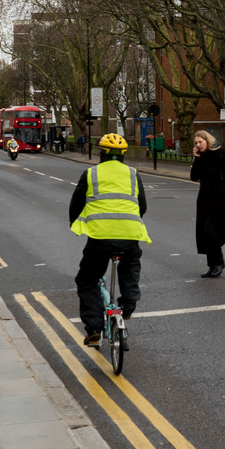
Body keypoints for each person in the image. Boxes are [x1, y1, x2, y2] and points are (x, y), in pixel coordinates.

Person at [69, 133, 150, 347]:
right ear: (123, 154)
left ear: (101, 152)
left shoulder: (91, 173)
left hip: (100, 238)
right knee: (130, 265)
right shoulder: (133, 174)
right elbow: (142, 206)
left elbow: (76, 204)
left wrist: (75, 225)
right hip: (129, 234)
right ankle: (128, 306)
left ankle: (94, 329)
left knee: (87, 279)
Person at [190, 130, 225, 278]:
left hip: (219, 201)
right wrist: (196, 158)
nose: (198, 145)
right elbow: (194, 177)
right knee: (205, 233)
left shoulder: (220, 155)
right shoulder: (201, 157)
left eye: (201, 142)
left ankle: (219, 262)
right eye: (196, 143)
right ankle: (212, 266)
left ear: (207, 141)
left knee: (210, 231)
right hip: (204, 200)